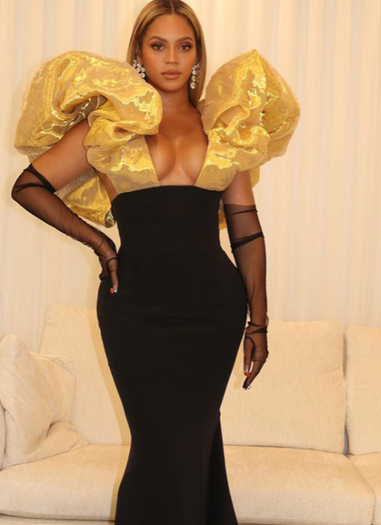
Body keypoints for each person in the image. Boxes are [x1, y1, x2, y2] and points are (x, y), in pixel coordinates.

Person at [11, 1, 300, 523]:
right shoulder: (110, 125)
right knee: (158, 446)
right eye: (158, 46)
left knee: (191, 439)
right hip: (135, 311)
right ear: (139, 54)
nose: (172, 58)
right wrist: (101, 244)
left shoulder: (226, 126)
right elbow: (29, 186)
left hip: (213, 312)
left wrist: (258, 321)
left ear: (197, 55)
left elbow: (246, 229)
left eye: (184, 46)